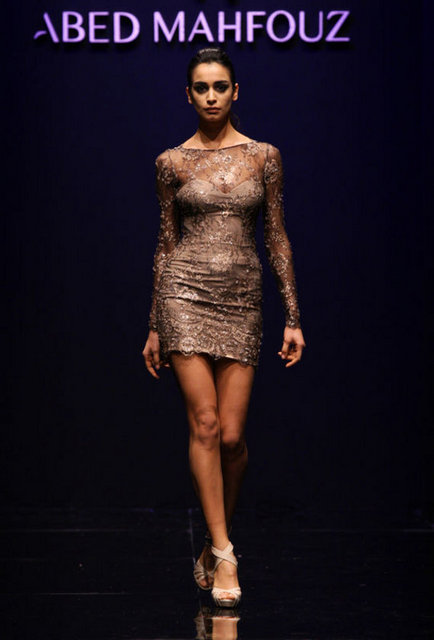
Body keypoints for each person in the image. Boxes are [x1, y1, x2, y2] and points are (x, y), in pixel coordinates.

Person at [142, 47, 306, 608]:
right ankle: (225, 551)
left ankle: (215, 544)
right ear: (187, 95)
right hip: (183, 296)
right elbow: (165, 244)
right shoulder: (171, 162)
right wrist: (155, 325)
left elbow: (276, 236)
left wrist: (293, 317)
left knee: (233, 438)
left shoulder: (265, 157)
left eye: (220, 86)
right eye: (201, 87)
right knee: (206, 423)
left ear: (236, 91)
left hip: (242, 298)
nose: (211, 96)